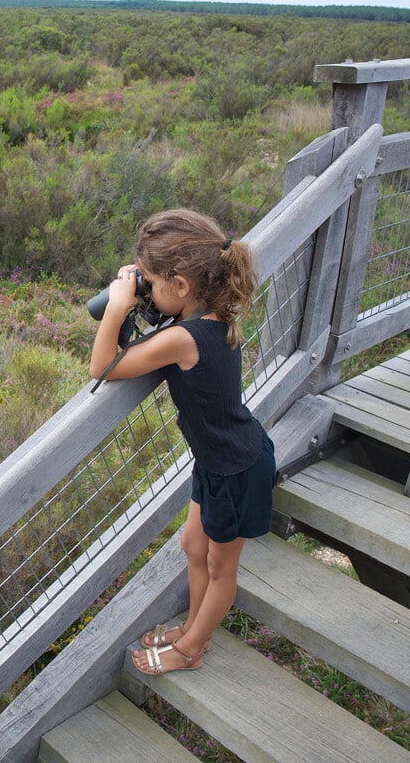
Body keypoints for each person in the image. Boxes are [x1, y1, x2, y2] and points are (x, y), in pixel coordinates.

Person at [89, 208, 276, 674]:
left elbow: (102, 366)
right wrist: (144, 291)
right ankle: (195, 625)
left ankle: (191, 648)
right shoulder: (212, 314)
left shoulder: (185, 338)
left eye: (150, 284)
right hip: (218, 460)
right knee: (194, 547)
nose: (145, 293)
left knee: (220, 569)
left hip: (235, 468)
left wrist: (116, 306)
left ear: (181, 285)